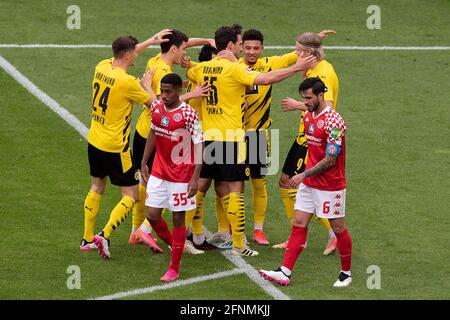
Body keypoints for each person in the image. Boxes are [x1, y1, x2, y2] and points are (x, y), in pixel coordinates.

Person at [186, 25, 316, 257]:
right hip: (231, 139)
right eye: (239, 44)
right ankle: (238, 244)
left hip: (205, 139)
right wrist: (297, 67)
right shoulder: (235, 70)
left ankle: (185, 238)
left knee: (200, 188)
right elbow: (265, 79)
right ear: (230, 46)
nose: (243, 49)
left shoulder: (202, 69)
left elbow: (191, 73)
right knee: (235, 189)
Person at [80, 29, 171, 259]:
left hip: (94, 140)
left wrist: (151, 40)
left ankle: (87, 238)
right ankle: (105, 234)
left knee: (96, 188)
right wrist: (148, 85)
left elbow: (126, 54)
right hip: (115, 148)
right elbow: (159, 109)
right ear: (129, 56)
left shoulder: (102, 66)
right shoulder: (129, 83)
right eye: (134, 54)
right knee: (131, 195)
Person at [259, 77, 353, 287]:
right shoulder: (308, 115)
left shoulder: (334, 122)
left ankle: (346, 273)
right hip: (310, 184)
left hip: (331, 186)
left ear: (321, 95)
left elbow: (330, 159)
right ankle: (285, 272)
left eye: (309, 98)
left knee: (338, 228)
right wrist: (307, 178)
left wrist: (303, 175)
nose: (306, 102)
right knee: (299, 223)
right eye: (304, 98)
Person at [129, 30, 210, 254]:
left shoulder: (154, 60)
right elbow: (160, 104)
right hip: (158, 134)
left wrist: (204, 40)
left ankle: (136, 230)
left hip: (143, 130)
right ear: (173, 49)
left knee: (146, 185)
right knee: (163, 184)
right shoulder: (164, 71)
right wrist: (192, 94)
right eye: (183, 48)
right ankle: (147, 230)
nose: (185, 53)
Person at [274, 31, 339, 256]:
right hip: (305, 134)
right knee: (286, 182)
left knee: (302, 187)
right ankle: (298, 238)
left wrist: (296, 105)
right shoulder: (312, 68)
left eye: (300, 50)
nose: (296, 54)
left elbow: (328, 107)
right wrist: (315, 42)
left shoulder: (325, 74)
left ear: (311, 53)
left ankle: (333, 235)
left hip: (314, 140)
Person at [140, 73, 204, 282]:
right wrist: (144, 162)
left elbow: (199, 145)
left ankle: (174, 267)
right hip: (159, 170)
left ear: (179, 90)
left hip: (182, 175)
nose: (164, 95)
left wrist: (195, 178)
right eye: (162, 90)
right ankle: (176, 245)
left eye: (168, 91)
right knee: (152, 215)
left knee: (178, 218)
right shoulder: (156, 108)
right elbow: (153, 133)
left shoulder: (190, 114)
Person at [238, 28, 298, 245]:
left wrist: (315, 40)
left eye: (256, 48)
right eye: (247, 48)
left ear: (262, 49)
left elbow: (297, 53)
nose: (252, 52)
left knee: (258, 183)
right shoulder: (233, 68)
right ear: (241, 48)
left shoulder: (270, 64)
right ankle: (230, 230)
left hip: (258, 137)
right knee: (231, 186)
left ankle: (258, 230)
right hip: (233, 137)